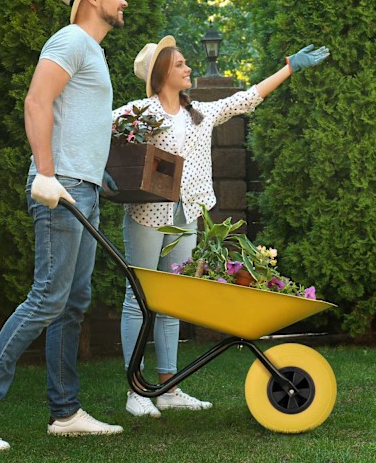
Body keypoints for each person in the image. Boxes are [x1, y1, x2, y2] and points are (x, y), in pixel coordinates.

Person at [0, 0, 128, 450]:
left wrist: (94, 170)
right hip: (61, 187)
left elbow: (76, 118)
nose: (123, 1)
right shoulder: (70, 40)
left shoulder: (91, 50)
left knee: (72, 303)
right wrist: (47, 173)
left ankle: (65, 412)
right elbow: (36, 101)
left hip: (82, 187)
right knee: (48, 297)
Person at [113, 35, 329, 418]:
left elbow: (246, 98)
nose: (188, 68)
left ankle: (168, 389)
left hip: (186, 216)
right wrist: (103, 171)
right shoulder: (140, 112)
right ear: (162, 73)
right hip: (147, 215)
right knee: (139, 299)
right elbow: (100, 132)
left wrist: (289, 68)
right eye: (180, 64)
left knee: (172, 300)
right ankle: (136, 391)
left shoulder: (200, 112)